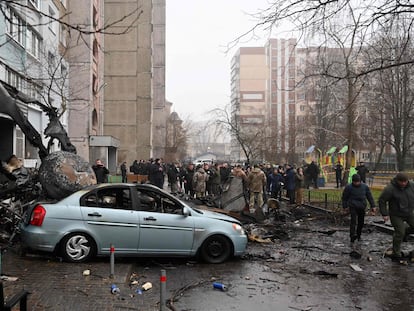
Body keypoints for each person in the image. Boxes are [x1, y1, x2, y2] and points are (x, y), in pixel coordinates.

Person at [378, 172, 414, 260]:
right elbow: (382, 200)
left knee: (404, 230)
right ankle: (396, 253)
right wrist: (384, 213)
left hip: (409, 212)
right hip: (396, 214)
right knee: (399, 233)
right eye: (401, 182)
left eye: (405, 181)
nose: (403, 183)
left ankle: (405, 231)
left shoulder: (412, 186)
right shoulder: (390, 189)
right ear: (397, 181)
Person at [342, 174, 376, 244]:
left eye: (358, 182)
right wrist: (345, 206)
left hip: (362, 206)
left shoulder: (365, 187)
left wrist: (373, 206)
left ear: (360, 181)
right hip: (353, 206)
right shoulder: (349, 187)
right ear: (353, 181)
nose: (356, 183)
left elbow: (369, 196)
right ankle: (352, 236)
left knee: (361, 221)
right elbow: (344, 198)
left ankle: (358, 234)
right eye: (355, 182)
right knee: (353, 221)